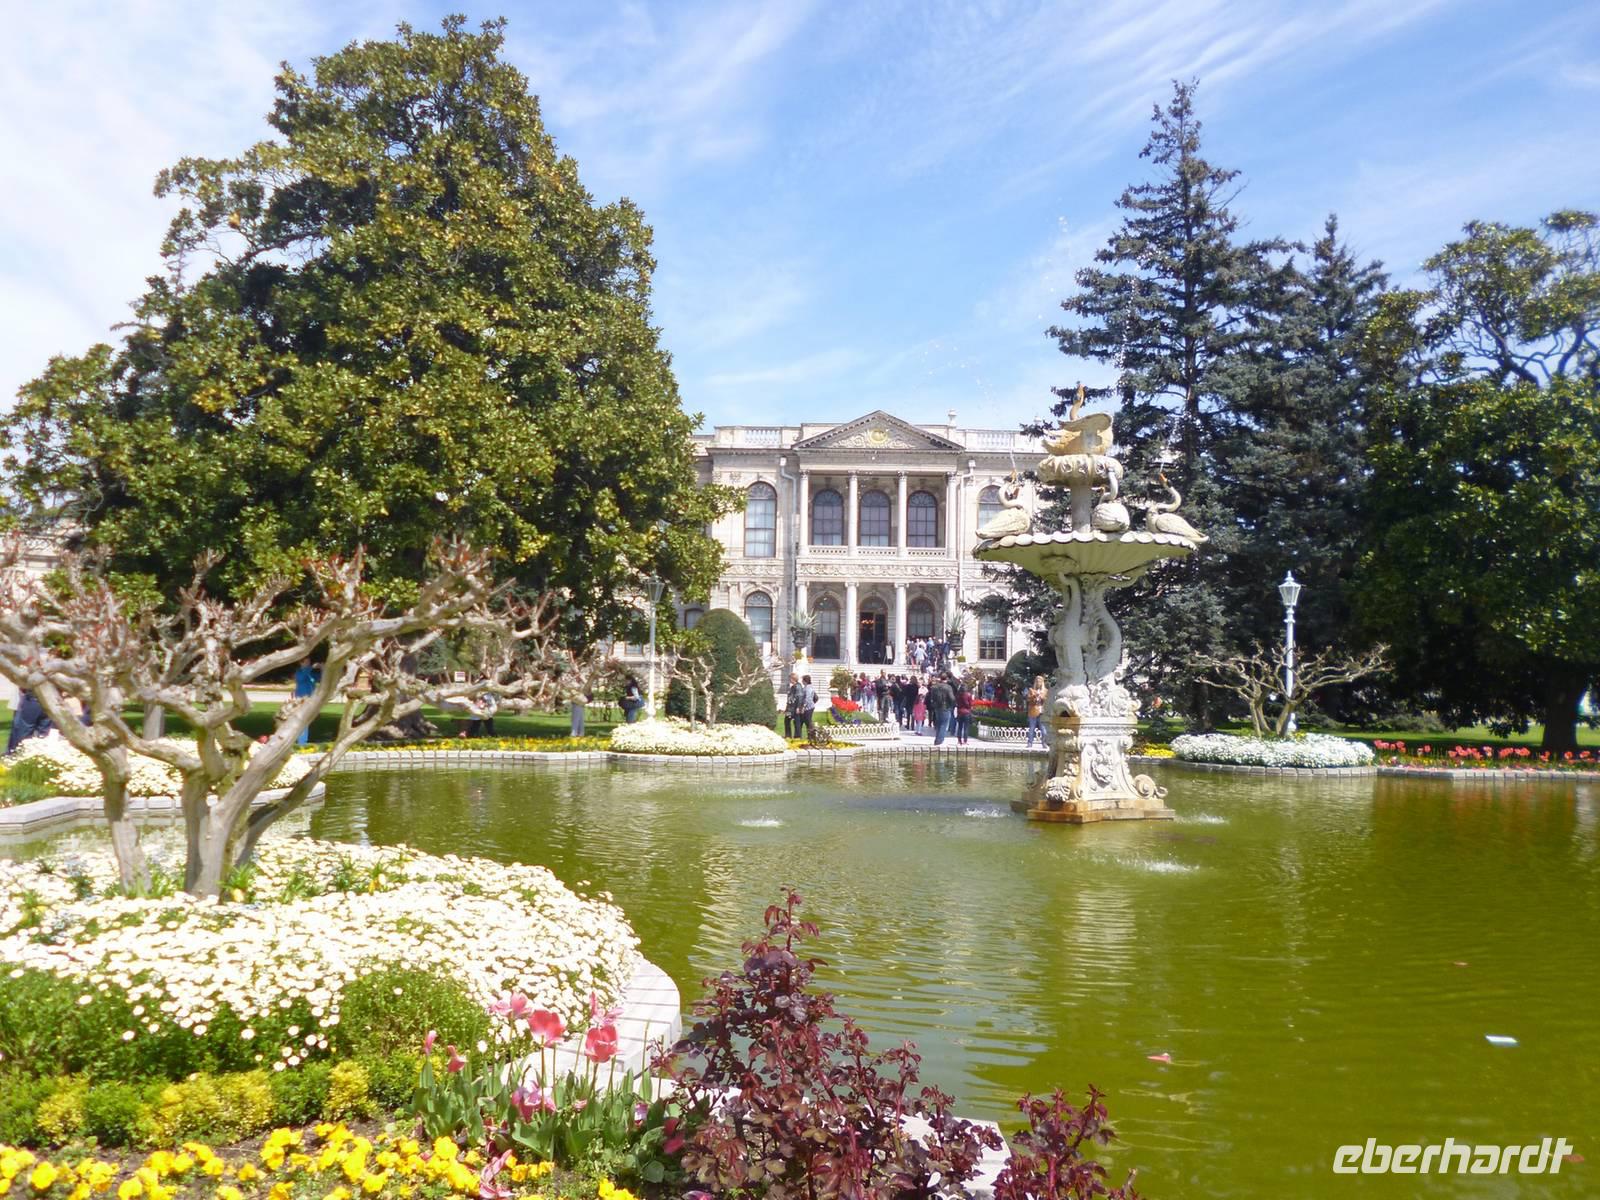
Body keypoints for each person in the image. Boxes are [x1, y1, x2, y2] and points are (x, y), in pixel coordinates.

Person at [6, 689, 53, 754]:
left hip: (34, 698)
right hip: (51, 700)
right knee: (43, 735)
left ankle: (15, 756)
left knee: (22, 732)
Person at [293, 659, 321, 745]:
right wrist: (311, 668)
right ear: (301, 662)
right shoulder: (299, 672)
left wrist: (323, 668)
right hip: (301, 699)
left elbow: (320, 678)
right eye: (306, 662)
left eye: (309, 662)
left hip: (311, 699)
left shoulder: (311, 674)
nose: (309, 663)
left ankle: (303, 741)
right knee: (301, 721)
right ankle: (301, 742)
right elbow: (301, 679)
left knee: (306, 721)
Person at [927, 674, 956, 745]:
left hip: (937, 707)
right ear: (946, 679)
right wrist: (953, 704)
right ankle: (939, 740)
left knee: (939, 723)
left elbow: (932, 698)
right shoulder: (948, 687)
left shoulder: (934, 687)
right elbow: (951, 698)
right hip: (946, 707)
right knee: (944, 724)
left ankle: (937, 738)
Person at [1025, 675, 1048, 748]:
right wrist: (1034, 696)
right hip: (1033, 711)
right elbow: (1028, 700)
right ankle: (1029, 743)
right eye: (1037, 681)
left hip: (1042, 712)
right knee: (1032, 728)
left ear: (1042, 682)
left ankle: (1044, 743)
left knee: (1043, 730)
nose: (1038, 683)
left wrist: (1042, 697)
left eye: (1040, 681)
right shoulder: (1031, 690)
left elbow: (1047, 700)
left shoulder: (1045, 691)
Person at [793, 674, 817, 741]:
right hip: (806, 707)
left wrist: (803, 707)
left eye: (802, 680)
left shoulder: (808, 688)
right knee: (801, 721)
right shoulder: (806, 687)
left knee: (808, 722)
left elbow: (807, 698)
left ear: (805, 681)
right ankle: (798, 736)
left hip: (808, 708)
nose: (802, 681)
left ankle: (811, 737)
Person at [954, 676, 974, 745]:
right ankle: (965, 741)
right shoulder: (968, 695)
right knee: (966, 727)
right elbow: (970, 704)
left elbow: (956, 702)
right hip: (966, 712)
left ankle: (959, 741)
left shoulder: (958, 695)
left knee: (959, 727)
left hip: (959, 712)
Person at [784, 674, 802, 738]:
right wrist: (786, 707)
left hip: (794, 708)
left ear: (793, 679)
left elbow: (799, 697)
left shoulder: (798, 687)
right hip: (790, 708)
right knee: (787, 720)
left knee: (796, 721)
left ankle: (797, 736)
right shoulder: (792, 687)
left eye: (790, 678)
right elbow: (790, 697)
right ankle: (788, 735)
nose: (789, 680)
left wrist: (798, 707)